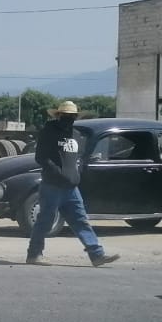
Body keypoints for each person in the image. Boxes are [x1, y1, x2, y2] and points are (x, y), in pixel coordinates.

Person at [27, 100, 120, 267]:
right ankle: (34, 254)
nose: (69, 119)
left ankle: (97, 254)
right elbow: (41, 157)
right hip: (52, 185)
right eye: (66, 116)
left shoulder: (76, 134)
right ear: (58, 115)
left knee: (80, 220)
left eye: (72, 116)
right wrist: (58, 173)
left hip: (71, 188)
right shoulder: (49, 132)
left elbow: (75, 158)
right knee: (45, 221)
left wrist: (73, 176)